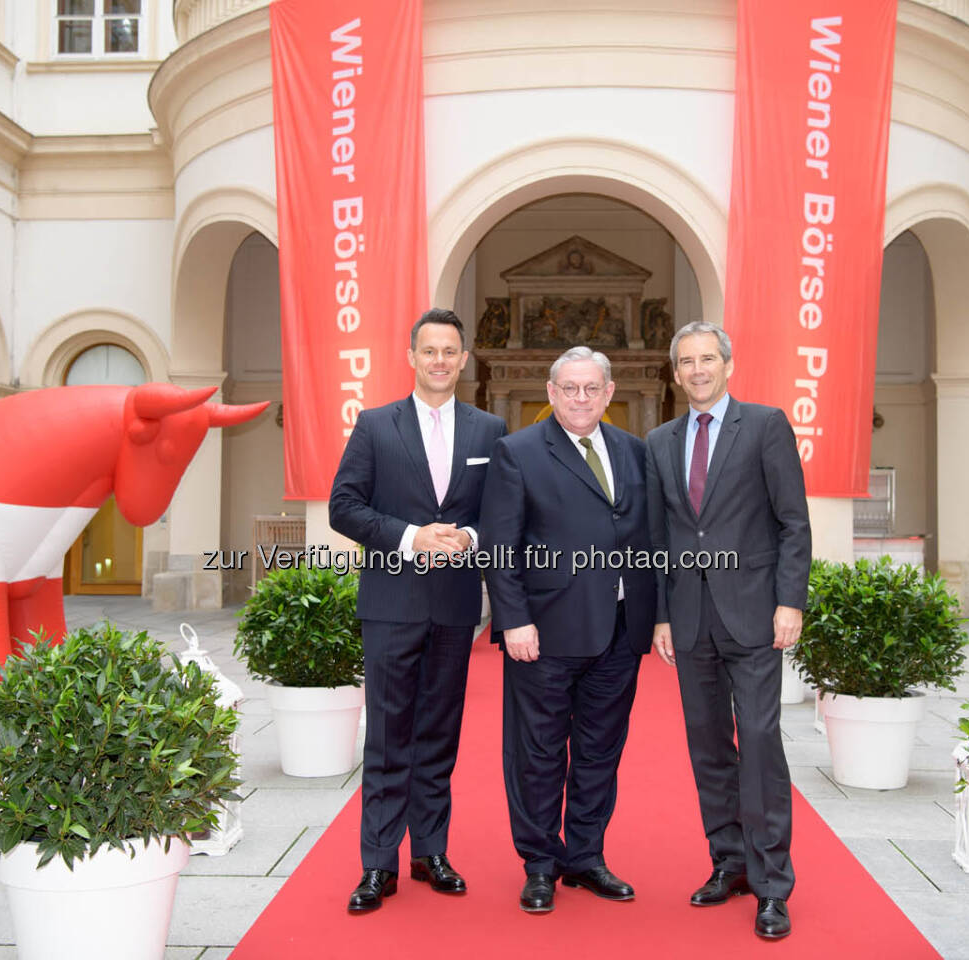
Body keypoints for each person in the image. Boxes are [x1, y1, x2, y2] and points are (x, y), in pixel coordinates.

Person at [328, 308, 508, 913]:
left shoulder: (490, 430)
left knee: (438, 735)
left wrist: (471, 539)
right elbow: (344, 507)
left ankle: (430, 852)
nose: (439, 360)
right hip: (390, 603)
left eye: (449, 351)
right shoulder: (376, 426)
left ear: (463, 359)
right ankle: (377, 864)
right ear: (411, 357)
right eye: (428, 350)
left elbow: (501, 513)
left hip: (455, 606)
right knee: (386, 736)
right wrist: (411, 537)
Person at [644, 321, 811, 940]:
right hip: (689, 619)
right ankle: (729, 863)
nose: (697, 370)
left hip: (755, 613)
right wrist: (661, 612)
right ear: (676, 370)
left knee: (761, 742)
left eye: (707, 358)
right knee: (709, 746)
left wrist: (789, 601)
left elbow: (793, 521)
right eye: (686, 361)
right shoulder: (659, 441)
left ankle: (772, 886)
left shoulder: (765, 426)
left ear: (727, 364)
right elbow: (659, 537)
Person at [479, 346, 656, 914]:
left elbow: (647, 538)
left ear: (608, 394)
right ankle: (539, 864)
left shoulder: (634, 451)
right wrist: (513, 621)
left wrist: (659, 615)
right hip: (545, 633)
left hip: (621, 631)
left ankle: (585, 856)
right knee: (538, 753)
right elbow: (499, 546)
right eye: (569, 388)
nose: (580, 398)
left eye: (591, 389)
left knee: (601, 752)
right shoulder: (517, 452)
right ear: (552, 394)